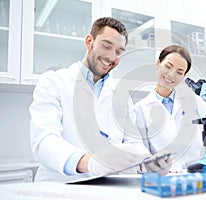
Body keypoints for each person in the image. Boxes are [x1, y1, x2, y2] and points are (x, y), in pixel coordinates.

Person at [29, 17, 171, 182]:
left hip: (107, 188)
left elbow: (133, 143)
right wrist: (89, 163)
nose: (111, 56)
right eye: (106, 46)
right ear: (89, 41)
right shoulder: (54, 82)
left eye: (119, 51)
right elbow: (44, 142)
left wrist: (145, 163)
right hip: (59, 186)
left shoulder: (121, 96)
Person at [132, 45, 206, 172]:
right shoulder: (140, 110)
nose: (172, 75)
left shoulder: (197, 103)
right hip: (164, 176)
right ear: (158, 64)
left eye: (179, 72)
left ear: (184, 76)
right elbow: (142, 154)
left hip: (197, 173)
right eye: (168, 66)